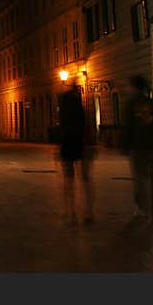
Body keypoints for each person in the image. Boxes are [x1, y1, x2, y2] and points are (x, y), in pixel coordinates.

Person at [121, 75, 153, 223]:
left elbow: (127, 127)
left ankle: (142, 209)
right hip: (152, 146)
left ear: (134, 87)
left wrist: (125, 146)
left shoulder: (130, 104)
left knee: (140, 178)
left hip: (138, 146)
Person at [58, 79, 94, 224]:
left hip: (68, 143)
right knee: (85, 179)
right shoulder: (81, 110)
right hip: (81, 143)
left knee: (68, 179)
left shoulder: (64, 111)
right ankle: (88, 212)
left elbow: (62, 129)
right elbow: (87, 126)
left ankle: (70, 212)